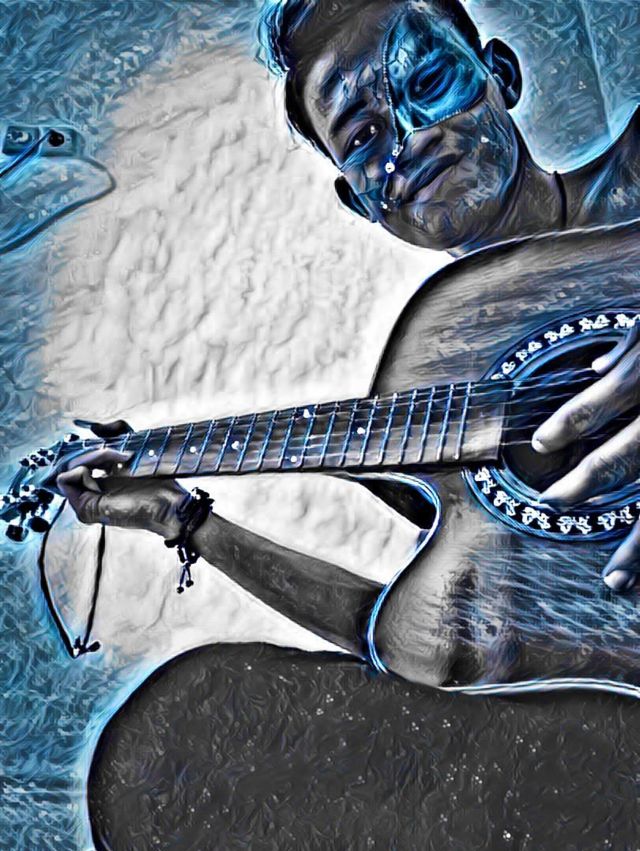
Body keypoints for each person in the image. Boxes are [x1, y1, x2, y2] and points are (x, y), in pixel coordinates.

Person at [56, 0, 640, 688]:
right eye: (364, 136)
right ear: (358, 201)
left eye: (428, 83)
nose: (411, 139)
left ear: (501, 75)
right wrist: (182, 518)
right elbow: (423, 640)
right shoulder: (429, 366)